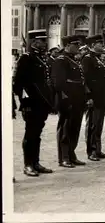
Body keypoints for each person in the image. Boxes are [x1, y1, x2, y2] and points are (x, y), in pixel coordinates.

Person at [13, 29, 55, 176]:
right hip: (31, 103)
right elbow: (18, 83)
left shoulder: (41, 59)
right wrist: (25, 103)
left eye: (45, 40)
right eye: (42, 41)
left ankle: (36, 162)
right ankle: (28, 164)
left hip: (41, 103)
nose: (45, 43)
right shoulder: (26, 58)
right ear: (34, 42)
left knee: (37, 134)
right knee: (30, 134)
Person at [51, 35, 88, 168]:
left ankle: (71, 154)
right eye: (76, 45)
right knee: (65, 128)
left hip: (78, 99)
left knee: (75, 128)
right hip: (67, 99)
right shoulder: (61, 60)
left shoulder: (73, 60)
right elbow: (59, 83)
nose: (78, 48)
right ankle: (64, 157)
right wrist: (65, 99)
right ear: (67, 45)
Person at [81, 34, 105, 162]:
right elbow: (85, 80)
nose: (102, 45)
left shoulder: (97, 59)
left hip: (101, 97)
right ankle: (91, 151)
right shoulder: (87, 59)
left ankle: (97, 149)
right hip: (93, 97)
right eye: (100, 43)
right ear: (93, 45)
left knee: (98, 125)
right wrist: (88, 96)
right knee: (92, 125)